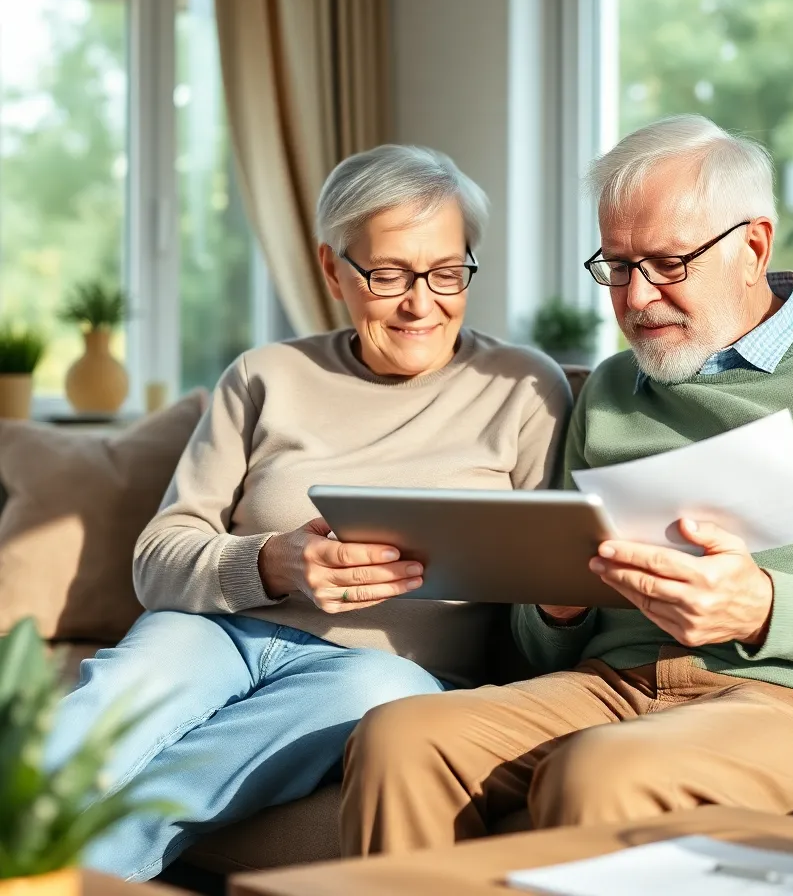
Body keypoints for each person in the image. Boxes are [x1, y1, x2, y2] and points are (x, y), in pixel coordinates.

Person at [338, 114, 793, 855]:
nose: (635, 298)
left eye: (666, 263)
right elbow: (545, 650)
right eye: (618, 267)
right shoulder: (614, 389)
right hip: (617, 682)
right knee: (401, 736)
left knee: (603, 771)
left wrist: (765, 606)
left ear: (753, 246)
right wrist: (556, 608)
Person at [46, 144, 572, 880]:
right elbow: (158, 556)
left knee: (374, 696)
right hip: (216, 634)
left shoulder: (525, 388)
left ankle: (55, 877)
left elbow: (539, 588)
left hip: (386, 669)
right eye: (388, 274)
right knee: (93, 727)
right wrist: (270, 560)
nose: (422, 302)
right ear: (333, 270)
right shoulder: (265, 375)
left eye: (447, 272)